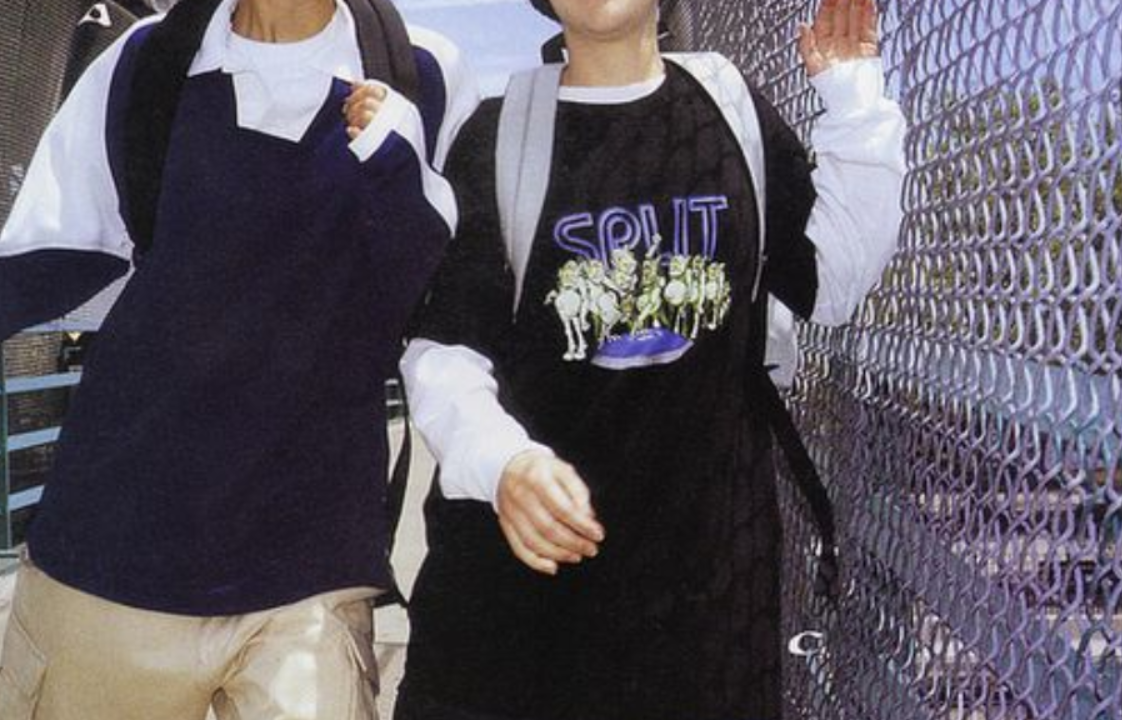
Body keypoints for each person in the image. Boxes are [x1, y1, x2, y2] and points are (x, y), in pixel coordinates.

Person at [378, 0, 907, 718]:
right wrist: (503, 462)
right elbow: (444, 348)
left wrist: (854, 100)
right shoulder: (499, 135)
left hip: (706, 615)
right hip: (516, 622)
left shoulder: (729, 113)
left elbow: (832, 279)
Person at [0, 0, 477, 717]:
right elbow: (50, 253)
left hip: (311, 579)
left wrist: (404, 173)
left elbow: (453, 302)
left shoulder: (424, 74)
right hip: (112, 558)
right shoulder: (149, 59)